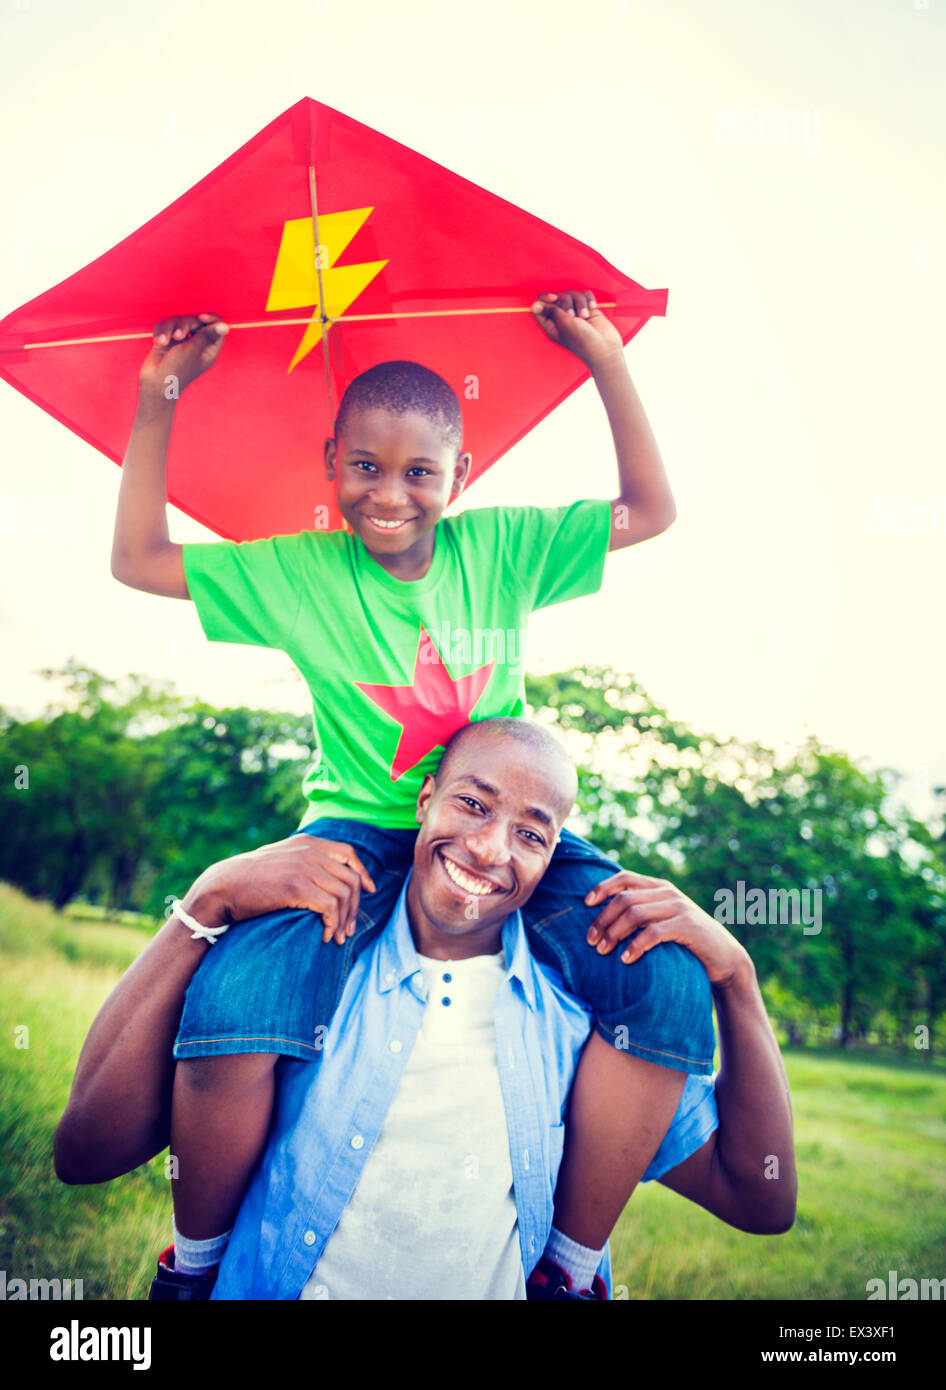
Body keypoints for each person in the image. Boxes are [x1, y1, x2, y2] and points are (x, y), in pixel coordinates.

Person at [106, 287, 717, 1295]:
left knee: (662, 981)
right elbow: (137, 561)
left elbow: (649, 510)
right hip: (358, 832)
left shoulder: (507, 548)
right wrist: (159, 395)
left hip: (503, 829)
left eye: (420, 472)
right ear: (331, 465)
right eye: (364, 467)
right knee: (243, 989)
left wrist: (606, 359)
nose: (388, 493)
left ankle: (567, 1267)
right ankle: (196, 1263)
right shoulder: (296, 571)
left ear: (460, 475)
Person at [54, 719, 796, 1300]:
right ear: (423, 801)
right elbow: (85, 1152)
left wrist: (738, 979)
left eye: (531, 834)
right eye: (472, 803)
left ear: (554, 857)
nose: (487, 848)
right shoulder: (298, 976)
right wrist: (209, 898)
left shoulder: (583, 1030)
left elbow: (760, 1200)